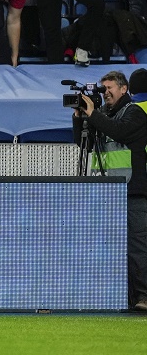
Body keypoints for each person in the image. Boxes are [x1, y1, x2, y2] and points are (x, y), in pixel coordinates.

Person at [75, 69, 147, 311]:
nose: (105, 93)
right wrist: (79, 118)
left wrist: (94, 114)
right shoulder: (104, 115)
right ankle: (122, 298)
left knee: (137, 248)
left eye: (109, 88)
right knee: (112, 250)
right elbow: (82, 143)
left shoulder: (134, 112)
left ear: (124, 89)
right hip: (109, 194)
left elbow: (120, 132)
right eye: (103, 89)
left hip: (132, 192)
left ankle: (143, 296)